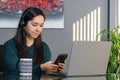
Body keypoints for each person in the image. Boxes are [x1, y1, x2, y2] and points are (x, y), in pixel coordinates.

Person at [3, 7, 65, 79]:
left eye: (41, 25)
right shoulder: (9, 46)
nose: (38, 29)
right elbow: (14, 70)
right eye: (34, 25)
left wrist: (55, 68)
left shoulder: (44, 47)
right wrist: (41, 68)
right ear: (24, 24)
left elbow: (46, 72)